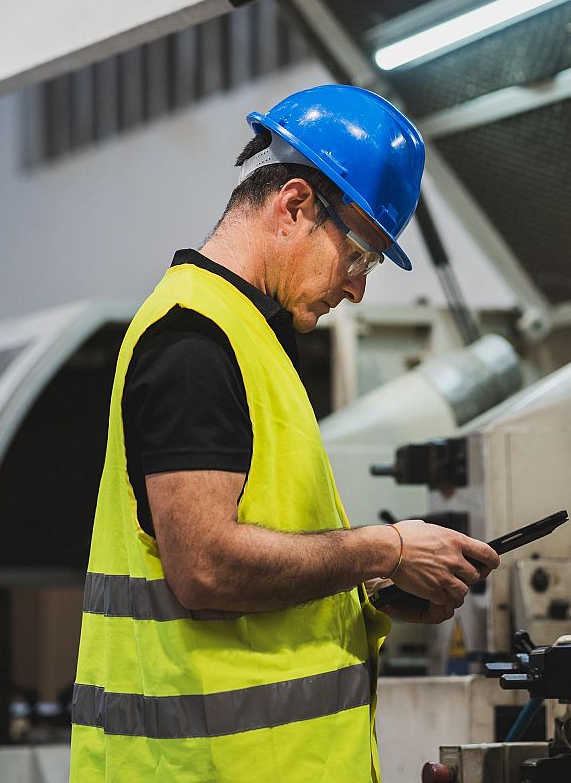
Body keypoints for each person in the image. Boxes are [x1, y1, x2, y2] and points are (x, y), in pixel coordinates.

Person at [69, 84, 498, 782]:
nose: (358, 287)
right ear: (295, 205)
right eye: (359, 254)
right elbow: (205, 567)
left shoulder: (252, 338)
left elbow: (262, 557)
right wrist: (382, 549)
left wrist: (377, 591)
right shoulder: (195, 342)